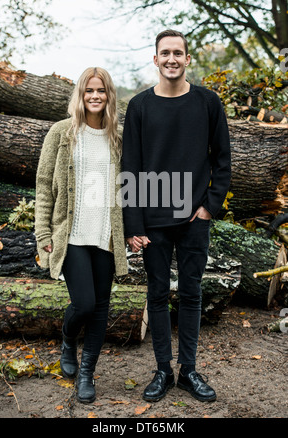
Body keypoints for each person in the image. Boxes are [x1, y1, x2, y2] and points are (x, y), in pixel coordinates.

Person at [122, 30, 231, 402]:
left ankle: (189, 371)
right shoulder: (139, 106)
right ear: (155, 59)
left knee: (191, 293)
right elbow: (131, 168)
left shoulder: (208, 103)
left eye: (178, 53)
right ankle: (163, 371)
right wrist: (133, 224)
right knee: (156, 294)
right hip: (152, 222)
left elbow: (223, 160)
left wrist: (208, 207)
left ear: (188, 59)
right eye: (164, 53)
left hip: (193, 221)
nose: (171, 59)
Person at [35, 67, 128, 404]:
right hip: (72, 233)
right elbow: (45, 185)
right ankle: (67, 338)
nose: (94, 96)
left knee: (101, 308)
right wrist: (42, 231)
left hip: (105, 234)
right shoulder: (62, 133)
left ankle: (87, 373)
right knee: (84, 303)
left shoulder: (118, 135)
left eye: (101, 91)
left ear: (109, 96)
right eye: (89, 90)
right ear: (80, 94)